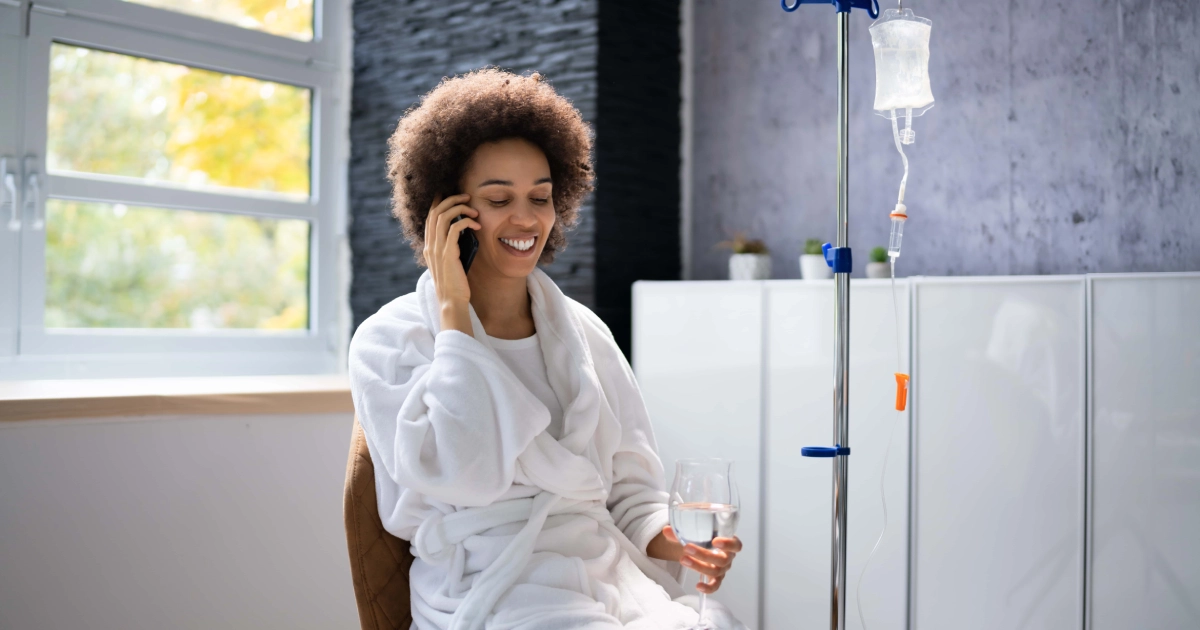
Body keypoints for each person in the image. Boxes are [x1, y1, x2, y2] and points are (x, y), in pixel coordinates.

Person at [348, 68, 746, 630]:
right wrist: (455, 317)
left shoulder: (584, 332)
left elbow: (632, 494)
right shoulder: (390, 340)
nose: (526, 218)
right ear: (448, 213)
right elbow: (466, 475)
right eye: (498, 198)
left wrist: (679, 541)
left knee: (718, 622)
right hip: (489, 584)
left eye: (540, 196)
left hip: (605, 572)